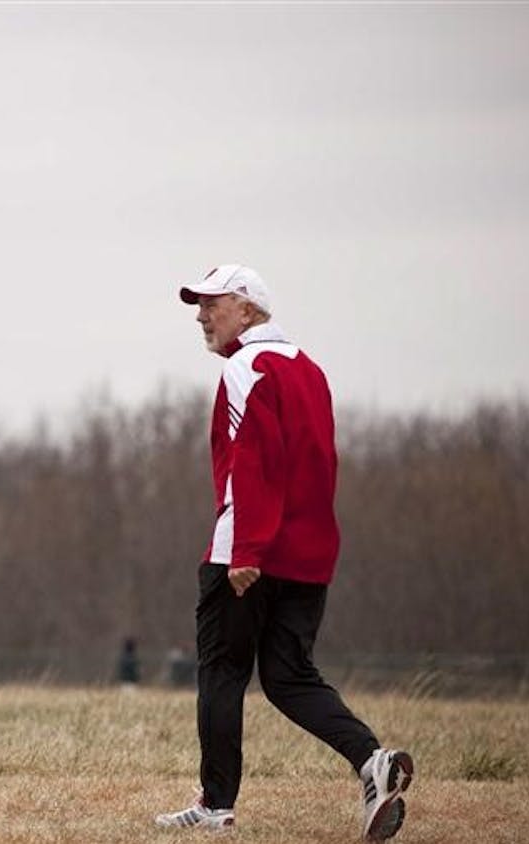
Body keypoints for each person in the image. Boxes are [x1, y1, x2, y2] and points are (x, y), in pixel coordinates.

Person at [154, 265, 413, 840]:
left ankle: (216, 806)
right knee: (289, 676)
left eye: (211, 304)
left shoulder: (248, 368)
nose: (201, 315)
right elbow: (320, 463)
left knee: (222, 671)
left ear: (247, 310)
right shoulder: (310, 370)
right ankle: (373, 761)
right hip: (310, 551)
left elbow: (254, 460)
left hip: (249, 551)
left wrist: (246, 549)